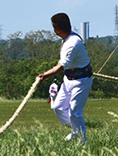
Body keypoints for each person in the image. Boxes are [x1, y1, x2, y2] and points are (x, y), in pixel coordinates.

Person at [38, 13, 93, 144]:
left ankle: (82, 139)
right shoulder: (67, 38)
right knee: (57, 107)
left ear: (57, 30)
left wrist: (45, 75)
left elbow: (61, 66)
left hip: (82, 80)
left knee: (75, 112)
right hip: (68, 79)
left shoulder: (72, 43)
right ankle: (75, 129)